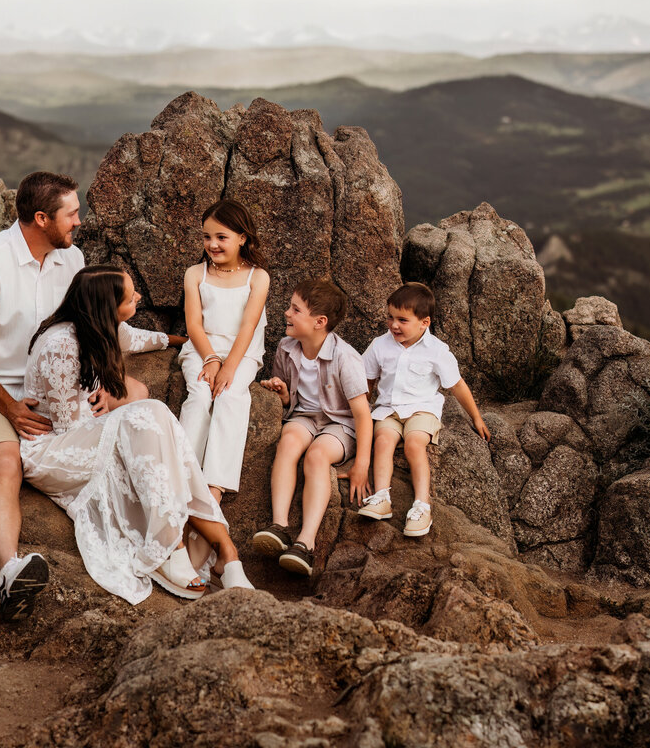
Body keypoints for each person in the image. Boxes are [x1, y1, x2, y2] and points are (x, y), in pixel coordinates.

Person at [21, 265, 253, 605]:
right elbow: (67, 428)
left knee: (156, 429)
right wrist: (123, 406)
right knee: (149, 419)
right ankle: (170, 548)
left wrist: (184, 343)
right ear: (109, 307)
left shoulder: (103, 328)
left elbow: (147, 339)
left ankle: (228, 553)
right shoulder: (61, 347)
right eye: (131, 297)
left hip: (94, 432)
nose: (139, 298)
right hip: (55, 450)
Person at [0, 171, 85, 620]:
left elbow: (86, 331)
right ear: (41, 218)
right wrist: (8, 408)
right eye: (72, 214)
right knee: (6, 462)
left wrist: (101, 387)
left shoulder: (73, 260)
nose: (79, 222)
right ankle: (10, 570)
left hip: (51, 385)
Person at [253, 279, 372, 576]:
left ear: (320, 322)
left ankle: (306, 543)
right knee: (289, 441)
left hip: (339, 423)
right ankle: (279, 525)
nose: (287, 314)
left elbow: (362, 415)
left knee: (317, 456)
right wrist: (280, 391)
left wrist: (362, 463)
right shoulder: (286, 347)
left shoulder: (345, 358)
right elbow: (287, 399)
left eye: (296, 309)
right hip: (303, 416)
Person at [358, 282, 491, 537]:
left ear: (424, 322)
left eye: (402, 320)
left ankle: (422, 505)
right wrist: (362, 407)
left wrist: (476, 417)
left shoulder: (437, 351)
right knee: (383, 440)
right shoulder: (379, 345)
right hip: (388, 409)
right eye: (390, 317)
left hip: (422, 409)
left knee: (414, 444)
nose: (393, 325)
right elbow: (367, 380)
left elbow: (457, 385)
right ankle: (382, 496)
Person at [178, 199, 270, 501]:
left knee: (230, 396)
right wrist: (211, 359)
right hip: (202, 349)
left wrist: (229, 366)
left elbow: (248, 327)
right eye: (207, 237)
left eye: (221, 237)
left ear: (242, 238)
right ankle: (182, 472)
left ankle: (214, 484)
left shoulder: (258, 277)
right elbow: (193, 325)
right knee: (201, 392)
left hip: (242, 353)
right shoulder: (195, 274)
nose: (212, 244)